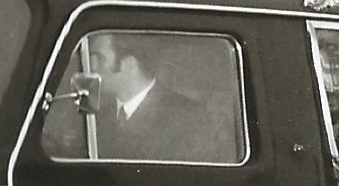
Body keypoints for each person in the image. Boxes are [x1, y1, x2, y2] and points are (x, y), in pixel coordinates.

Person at [89, 31, 243, 164]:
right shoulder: (97, 117)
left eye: (99, 58)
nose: (92, 67)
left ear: (129, 64)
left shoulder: (190, 120)